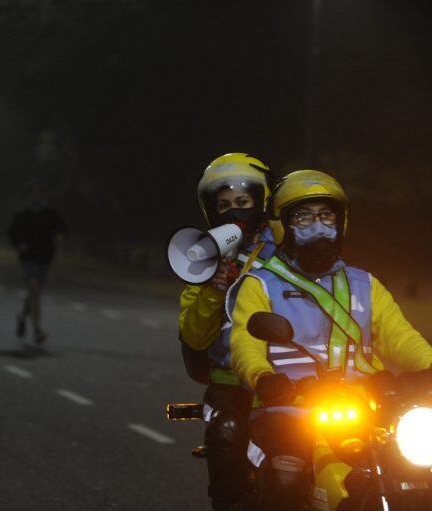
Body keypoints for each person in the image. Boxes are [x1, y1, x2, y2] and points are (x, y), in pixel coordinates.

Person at [228, 170, 432, 511]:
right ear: (282, 224)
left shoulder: (365, 284)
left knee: (421, 470)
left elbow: (401, 336)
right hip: (288, 406)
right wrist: (264, 378)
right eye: (304, 217)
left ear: (341, 222)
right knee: (287, 474)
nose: (318, 225)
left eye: (326, 215)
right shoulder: (261, 284)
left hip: (368, 406)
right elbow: (244, 342)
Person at [178, 153, 277, 511]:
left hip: (289, 380)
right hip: (232, 385)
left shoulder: (289, 248)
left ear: (261, 202)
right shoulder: (205, 258)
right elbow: (193, 336)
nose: (234, 211)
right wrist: (213, 290)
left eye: (243, 202)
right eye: (223, 205)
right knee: (226, 436)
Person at [8, 182, 67, 345]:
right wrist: (19, 244)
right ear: (30, 196)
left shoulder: (51, 214)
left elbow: (62, 230)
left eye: (40, 193)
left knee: (34, 293)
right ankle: (37, 330)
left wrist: (58, 239)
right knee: (34, 289)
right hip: (28, 259)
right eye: (34, 193)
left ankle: (22, 316)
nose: (37, 196)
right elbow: (12, 232)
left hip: (44, 258)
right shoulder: (23, 214)